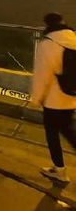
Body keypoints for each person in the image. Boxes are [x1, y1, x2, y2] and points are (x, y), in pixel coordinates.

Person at [30, 13, 76, 182]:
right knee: (69, 131)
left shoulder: (47, 44)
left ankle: (59, 170)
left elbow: (42, 76)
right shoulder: (74, 39)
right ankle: (59, 169)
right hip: (71, 98)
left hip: (53, 101)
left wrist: (35, 99)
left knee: (52, 134)